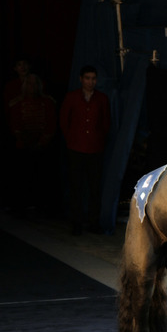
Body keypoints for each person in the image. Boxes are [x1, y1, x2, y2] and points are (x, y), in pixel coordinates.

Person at [60, 65, 111, 235]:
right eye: (87, 78)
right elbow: (64, 121)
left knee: (94, 188)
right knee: (76, 187)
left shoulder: (102, 98)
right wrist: (72, 139)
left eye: (93, 78)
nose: (91, 82)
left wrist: (99, 139)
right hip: (76, 148)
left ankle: (93, 222)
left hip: (95, 149)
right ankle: (76, 222)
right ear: (81, 79)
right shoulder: (72, 97)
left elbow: (106, 123)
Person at [7, 73, 57, 215]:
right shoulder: (16, 103)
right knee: (22, 178)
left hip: (42, 147)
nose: (32, 87)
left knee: (42, 178)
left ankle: (43, 206)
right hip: (23, 147)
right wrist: (24, 141)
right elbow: (15, 125)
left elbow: (50, 125)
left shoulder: (48, 102)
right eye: (29, 83)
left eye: (35, 84)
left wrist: (41, 143)